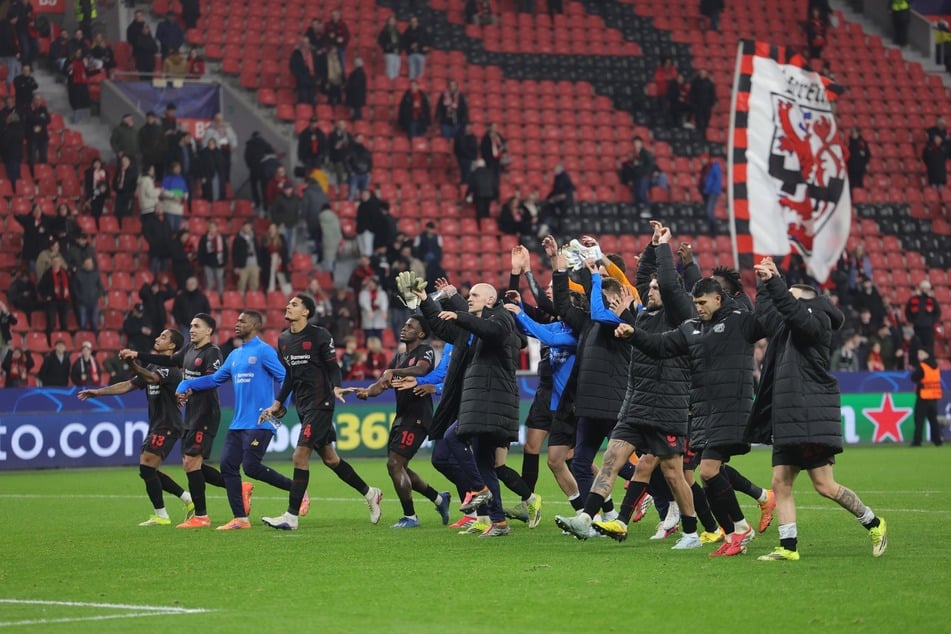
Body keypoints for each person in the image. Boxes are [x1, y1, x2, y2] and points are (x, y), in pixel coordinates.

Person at [558, 226, 703, 547]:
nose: (649, 290)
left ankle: (692, 532)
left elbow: (664, 285)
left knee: (673, 475)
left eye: (655, 288)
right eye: (649, 286)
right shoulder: (644, 314)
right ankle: (586, 518)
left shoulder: (681, 318)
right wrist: (652, 249)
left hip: (667, 404)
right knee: (611, 458)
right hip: (636, 403)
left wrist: (664, 250)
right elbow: (637, 281)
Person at [748, 259, 888, 560]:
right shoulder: (788, 324)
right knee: (780, 482)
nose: (785, 301)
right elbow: (766, 316)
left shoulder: (817, 322)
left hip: (808, 415)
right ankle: (788, 548)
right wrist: (764, 281)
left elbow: (795, 314)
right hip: (786, 416)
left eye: (790, 296)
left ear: (806, 302)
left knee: (825, 485)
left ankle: (874, 523)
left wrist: (776, 284)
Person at [623, 274, 771, 557]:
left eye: (703, 302)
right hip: (703, 411)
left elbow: (763, 320)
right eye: (695, 303)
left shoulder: (739, 321)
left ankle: (740, 529)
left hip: (730, 408)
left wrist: (767, 285)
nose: (698, 307)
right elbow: (660, 345)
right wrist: (634, 334)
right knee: (706, 476)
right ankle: (736, 531)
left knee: (707, 471)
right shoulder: (692, 328)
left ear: (718, 299)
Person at [258, 295, 383, 530]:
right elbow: (290, 377)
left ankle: (291, 517)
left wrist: (336, 387)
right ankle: (370, 493)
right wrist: (277, 402)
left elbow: (332, 367)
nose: (288, 306)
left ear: (306, 312)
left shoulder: (319, 335)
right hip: (303, 405)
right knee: (330, 458)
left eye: (294, 304)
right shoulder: (283, 339)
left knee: (299, 456)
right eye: (289, 303)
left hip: (321, 403)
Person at [176, 311, 301, 530]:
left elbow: (285, 378)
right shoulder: (234, 355)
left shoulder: (264, 351)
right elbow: (215, 379)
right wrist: (186, 384)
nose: (237, 324)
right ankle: (241, 519)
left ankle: (298, 490)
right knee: (227, 466)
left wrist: (279, 405)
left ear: (255, 324)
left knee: (251, 467)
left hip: (262, 420)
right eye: (237, 320)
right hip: (238, 422)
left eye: (242, 321)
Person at [415, 281, 521, 537]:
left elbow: (491, 332)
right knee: (484, 462)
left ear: (488, 300)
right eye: (468, 294)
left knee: (453, 436)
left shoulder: (501, 318)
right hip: (480, 400)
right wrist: (425, 301)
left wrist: (460, 315)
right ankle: (499, 522)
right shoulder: (469, 328)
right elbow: (441, 326)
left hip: (492, 399)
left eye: (474, 295)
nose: (468, 298)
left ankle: (479, 490)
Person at [121, 313, 229, 528]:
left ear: (209, 331)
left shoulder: (213, 352)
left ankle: (201, 515)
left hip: (206, 413)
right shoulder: (189, 350)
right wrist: (137, 354)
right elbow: (167, 360)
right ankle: (236, 488)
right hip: (191, 413)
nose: (192, 329)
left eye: (197, 326)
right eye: (191, 325)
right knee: (191, 464)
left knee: (189, 463)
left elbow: (214, 379)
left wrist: (185, 387)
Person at [78, 328, 194, 527]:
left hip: (168, 424)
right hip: (157, 424)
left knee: (146, 467)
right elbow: (128, 385)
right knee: (147, 470)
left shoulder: (170, 369)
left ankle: (163, 515)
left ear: (172, 346)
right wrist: (98, 392)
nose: (158, 338)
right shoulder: (152, 365)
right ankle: (187, 500)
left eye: (163, 336)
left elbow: (151, 379)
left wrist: (132, 362)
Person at [354, 316, 450, 528]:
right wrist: (368, 392)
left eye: (410, 326)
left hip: (418, 417)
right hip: (402, 417)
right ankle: (439, 499)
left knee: (394, 464)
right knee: (400, 467)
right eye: (404, 324)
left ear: (421, 334)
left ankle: (410, 517)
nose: (404, 328)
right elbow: (382, 384)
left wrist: (393, 372)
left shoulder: (425, 350)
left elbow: (421, 370)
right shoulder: (398, 357)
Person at [910, 348, 943, 447]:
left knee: (919, 419)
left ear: (926, 355)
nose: (919, 355)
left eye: (921, 353)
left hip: (923, 396)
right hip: (934, 396)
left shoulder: (922, 366)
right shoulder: (936, 366)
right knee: (933, 420)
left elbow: (914, 377)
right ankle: (937, 440)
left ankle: (917, 441)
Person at [905, 280, 941, 353]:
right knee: (917, 348)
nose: (925, 289)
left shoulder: (932, 300)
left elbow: (938, 312)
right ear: (920, 288)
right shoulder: (913, 299)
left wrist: (932, 321)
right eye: (924, 288)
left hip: (928, 328)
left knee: (929, 349)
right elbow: (907, 311)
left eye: (927, 288)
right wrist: (912, 321)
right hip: (917, 328)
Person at [699, 153, 722, 234]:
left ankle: (715, 228)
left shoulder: (714, 166)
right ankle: (711, 229)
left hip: (712, 192)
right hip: (706, 192)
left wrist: (713, 190)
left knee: (709, 210)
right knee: (707, 210)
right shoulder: (705, 168)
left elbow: (717, 180)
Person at [378, 16, 402, 80]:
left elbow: (401, 41)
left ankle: (395, 83)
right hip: (389, 52)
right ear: (388, 22)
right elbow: (380, 41)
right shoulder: (384, 31)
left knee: (397, 67)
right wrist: (386, 46)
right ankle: (389, 83)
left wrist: (400, 49)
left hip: (397, 52)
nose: (392, 22)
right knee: (390, 68)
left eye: (393, 21)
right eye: (391, 20)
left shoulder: (397, 31)